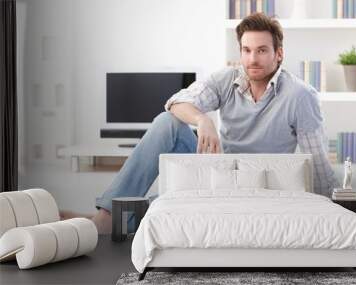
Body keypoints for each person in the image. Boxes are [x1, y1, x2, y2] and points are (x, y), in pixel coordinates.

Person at [62, 13, 338, 233]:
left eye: (262, 50)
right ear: (240, 52)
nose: (253, 59)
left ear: (279, 53)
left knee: (167, 207)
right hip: (218, 170)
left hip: (260, 184)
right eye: (247, 50)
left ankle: (110, 220)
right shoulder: (225, 80)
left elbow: (318, 162)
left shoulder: (301, 96)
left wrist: (337, 210)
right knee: (167, 122)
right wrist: (202, 119)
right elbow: (176, 102)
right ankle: (107, 215)